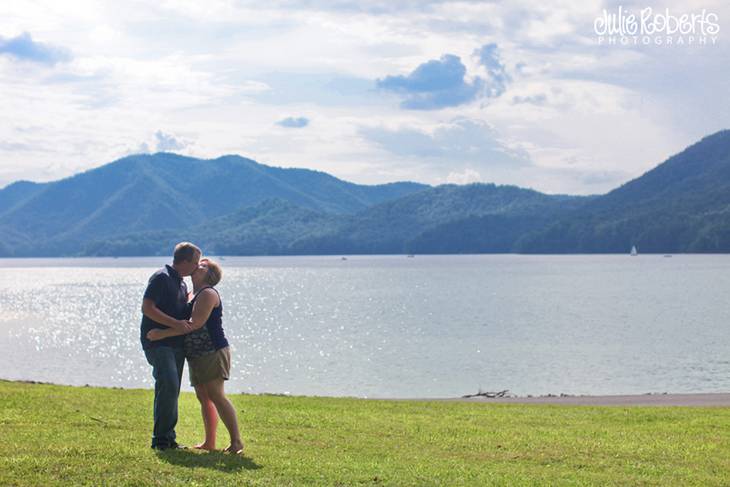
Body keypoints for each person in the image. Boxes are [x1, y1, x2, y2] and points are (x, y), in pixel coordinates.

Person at [147, 258, 244, 454]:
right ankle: (210, 442)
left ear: (209, 274)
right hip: (196, 354)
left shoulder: (208, 293)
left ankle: (236, 442)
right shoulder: (192, 293)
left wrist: (161, 333)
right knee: (204, 397)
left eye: (202, 265)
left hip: (212, 351)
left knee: (216, 395)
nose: (197, 265)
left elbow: (195, 323)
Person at [141, 242, 201, 450]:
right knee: (168, 386)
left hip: (175, 343)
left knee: (171, 389)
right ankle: (160, 441)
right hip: (157, 343)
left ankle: (168, 438)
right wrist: (175, 324)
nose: (197, 266)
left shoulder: (182, 284)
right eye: (195, 262)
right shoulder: (161, 278)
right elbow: (147, 308)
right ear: (184, 261)